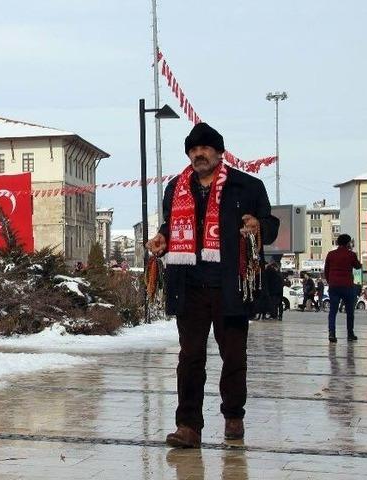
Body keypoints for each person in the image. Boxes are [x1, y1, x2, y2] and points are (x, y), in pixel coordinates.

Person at [146, 123, 279, 448]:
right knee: (190, 357)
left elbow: (271, 226)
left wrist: (257, 225)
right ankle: (188, 426)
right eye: (193, 149)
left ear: (219, 153)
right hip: (188, 284)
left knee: (233, 356)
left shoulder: (246, 186)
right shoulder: (177, 188)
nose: (198, 154)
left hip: (230, 286)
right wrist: (163, 238)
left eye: (205, 148)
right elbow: (171, 223)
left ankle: (233, 415)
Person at [324, 234, 361, 342]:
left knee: (333, 311)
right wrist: (353, 252)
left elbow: (326, 270)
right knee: (350, 311)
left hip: (334, 286)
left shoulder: (330, 254)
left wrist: (330, 281)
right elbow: (358, 266)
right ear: (348, 243)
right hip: (347, 286)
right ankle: (350, 334)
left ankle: (332, 333)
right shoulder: (351, 254)